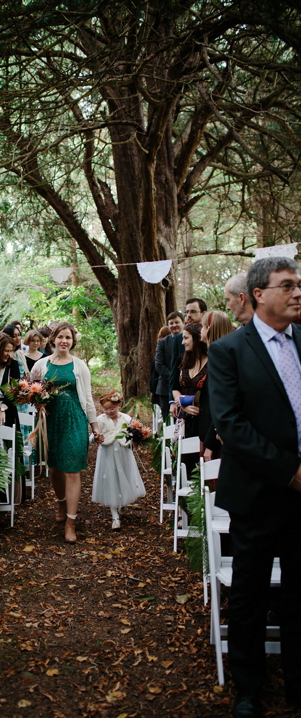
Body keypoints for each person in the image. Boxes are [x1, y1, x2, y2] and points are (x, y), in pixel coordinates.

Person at [208, 256, 301, 718]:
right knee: (250, 592)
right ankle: (248, 688)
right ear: (260, 294)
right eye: (288, 286)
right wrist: (289, 470)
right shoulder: (230, 351)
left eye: (299, 284)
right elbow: (231, 423)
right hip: (257, 493)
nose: (298, 293)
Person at [30, 322, 102, 543]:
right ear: (53, 340)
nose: (64, 341)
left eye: (68, 338)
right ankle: (61, 502)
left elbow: (88, 399)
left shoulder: (79, 366)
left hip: (74, 420)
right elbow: (31, 392)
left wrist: (95, 426)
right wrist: (36, 402)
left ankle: (71, 522)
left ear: (73, 341)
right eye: (60, 336)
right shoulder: (41, 366)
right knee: (55, 468)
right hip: (50, 421)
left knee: (72, 470)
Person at [92, 391, 146, 530]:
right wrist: (95, 438)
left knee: (124, 476)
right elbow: (93, 436)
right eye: (106, 409)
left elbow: (133, 433)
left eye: (112, 408)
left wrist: (136, 439)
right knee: (111, 479)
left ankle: (123, 503)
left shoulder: (126, 418)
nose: (109, 412)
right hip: (108, 454)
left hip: (123, 453)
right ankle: (114, 516)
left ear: (119, 405)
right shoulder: (100, 420)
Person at [200, 311, 235, 461]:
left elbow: (220, 403)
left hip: (216, 438)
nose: (200, 330)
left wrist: (210, 445)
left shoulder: (220, 360)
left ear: (210, 329)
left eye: (202, 326)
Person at [171, 322, 208, 441]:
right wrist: (183, 405)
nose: (183, 342)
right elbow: (175, 387)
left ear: (197, 338)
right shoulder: (181, 360)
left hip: (204, 419)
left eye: (186, 338)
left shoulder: (212, 361)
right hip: (184, 418)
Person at [0, 332, 22, 430]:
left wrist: (3, 408)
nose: (9, 354)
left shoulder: (13, 365)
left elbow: (14, 390)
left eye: (11, 351)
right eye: (6, 350)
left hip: (7, 409)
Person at [154, 311, 184, 420]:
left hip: (186, 389)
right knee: (167, 421)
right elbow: (159, 365)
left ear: (183, 323)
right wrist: (175, 378)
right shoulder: (163, 342)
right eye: (171, 323)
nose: (174, 325)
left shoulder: (190, 339)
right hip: (165, 389)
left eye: (177, 322)